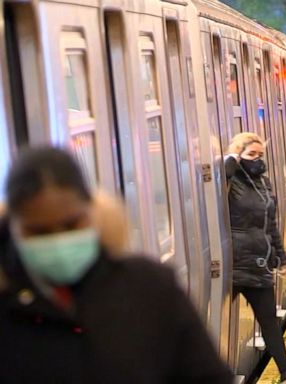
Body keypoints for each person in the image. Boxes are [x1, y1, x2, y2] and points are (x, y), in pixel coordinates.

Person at [0, 146, 233, 384]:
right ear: (13, 227)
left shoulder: (150, 287)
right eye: (39, 232)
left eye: (71, 225)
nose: (58, 241)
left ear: (92, 212)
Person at [225, 132, 286, 384]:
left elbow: (270, 225)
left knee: (269, 320)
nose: (257, 160)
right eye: (251, 155)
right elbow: (220, 172)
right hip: (233, 262)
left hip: (257, 262)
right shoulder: (231, 179)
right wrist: (232, 157)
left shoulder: (264, 183)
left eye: (260, 155)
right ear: (239, 156)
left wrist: (281, 257)